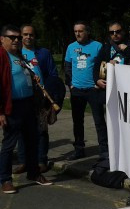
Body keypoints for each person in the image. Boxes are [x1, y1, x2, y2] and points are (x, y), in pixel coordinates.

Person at [1, 25, 52, 194]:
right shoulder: (2, 56)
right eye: (12, 37)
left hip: (28, 104)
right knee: (9, 144)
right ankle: (5, 179)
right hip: (12, 106)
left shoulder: (18, 56)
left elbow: (21, 74)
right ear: (2, 39)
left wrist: (32, 75)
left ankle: (34, 173)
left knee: (32, 140)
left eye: (17, 37)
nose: (17, 40)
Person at [13, 24, 60, 173]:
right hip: (22, 96)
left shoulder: (43, 53)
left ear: (35, 36)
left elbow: (53, 74)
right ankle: (23, 161)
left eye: (31, 35)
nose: (28, 37)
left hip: (40, 97)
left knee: (41, 130)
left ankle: (41, 160)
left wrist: (50, 93)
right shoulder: (15, 53)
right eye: (25, 34)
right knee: (21, 130)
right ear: (21, 36)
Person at [64, 21, 108, 160]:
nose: (77, 34)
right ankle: (79, 149)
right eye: (75, 31)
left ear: (87, 32)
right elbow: (67, 66)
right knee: (77, 122)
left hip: (93, 90)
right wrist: (70, 84)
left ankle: (104, 151)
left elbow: (104, 65)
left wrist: (98, 82)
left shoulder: (97, 46)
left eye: (80, 31)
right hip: (77, 90)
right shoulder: (71, 47)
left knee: (99, 121)